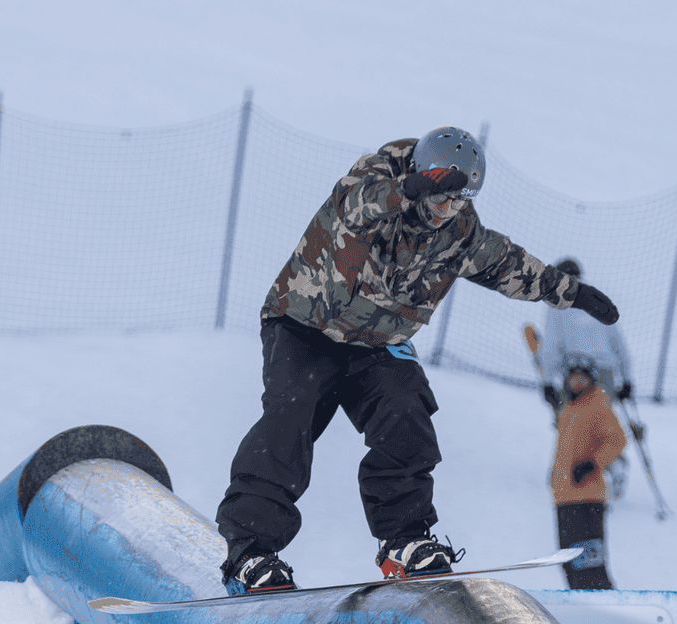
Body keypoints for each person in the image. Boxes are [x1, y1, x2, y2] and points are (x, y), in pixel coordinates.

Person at [216, 126, 621, 592]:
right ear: (423, 177)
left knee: (406, 410)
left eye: (461, 200)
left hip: (375, 342)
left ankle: (405, 541)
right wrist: (408, 192)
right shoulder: (378, 178)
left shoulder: (459, 232)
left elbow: (507, 264)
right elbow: (354, 207)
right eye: (443, 198)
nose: (449, 210)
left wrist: (573, 294)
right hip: (306, 324)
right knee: (293, 414)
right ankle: (250, 550)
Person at [538, 256, 634, 498]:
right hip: (606, 373)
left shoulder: (558, 302)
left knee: (572, 422)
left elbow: (551, 346)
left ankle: (570, 466)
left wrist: (548, 381)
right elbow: (618, 343)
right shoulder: (596, 298)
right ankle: (614, 464)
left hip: (577, 374)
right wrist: (627, 379)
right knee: (601, 424)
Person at [551, 365, 628, 589]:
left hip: (586, 498)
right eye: (573, 379)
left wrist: (592, 463)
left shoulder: (597, 404)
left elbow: (617, 440)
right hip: (565, 497)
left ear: (590, 380)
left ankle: (602, 607)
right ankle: (580, 606)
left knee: (589, 562)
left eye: (582, 380)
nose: (577, 384)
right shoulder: (572, 408)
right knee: (569, 561)